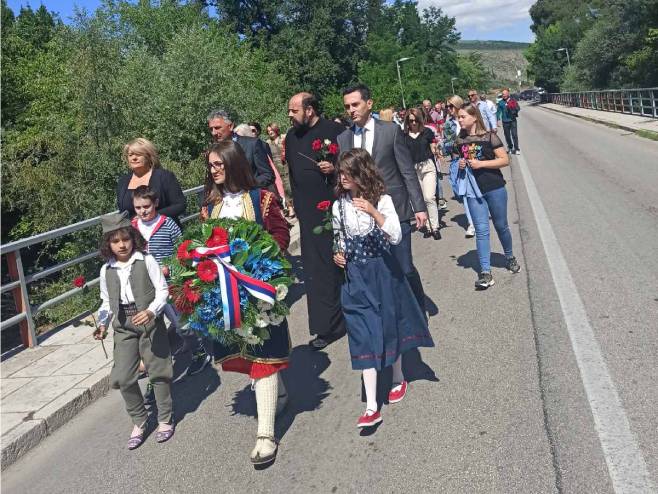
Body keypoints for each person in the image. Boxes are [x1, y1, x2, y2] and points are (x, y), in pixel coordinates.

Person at [200, 140, 290, 465]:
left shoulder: (261, 200)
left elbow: (281, 233)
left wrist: (263, 260)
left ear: (234, 163)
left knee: (264, 354)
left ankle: (266, 435)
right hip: (229, 293)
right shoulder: (209, 208)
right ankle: (277, 393)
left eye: (219, 164)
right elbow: (204, 245)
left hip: (260, 288)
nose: (215, 171)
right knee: (249, 353)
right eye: (211, 166)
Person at [332, 149, 434, 428]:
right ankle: (371, 406)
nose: (341, 177)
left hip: (383, 271)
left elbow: (396, 235)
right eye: (340, 172)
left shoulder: (383, 200)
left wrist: (374, 211)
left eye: (346, 172)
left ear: (360, 173)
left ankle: (398, 376)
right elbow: (339, 237)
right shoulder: (338, 206)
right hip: (356, 276)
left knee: (389, 324)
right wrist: (338, 253)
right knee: (363, 332)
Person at [338, 84, 428, 314]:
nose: (351, 110)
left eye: (355, 104)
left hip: (394, 208)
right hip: (363, 214)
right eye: (347, 106)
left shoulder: (390, 131)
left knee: (404, 266)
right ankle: (393, 313)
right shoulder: (343, 139)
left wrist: (419, 206)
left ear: (369, 104)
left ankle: (418, 307)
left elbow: (407, 170)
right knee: (382, 268)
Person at [93, 212, 174, 449]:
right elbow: (106, 302)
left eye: (125, 239)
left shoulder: (145, 260)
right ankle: (140, 419)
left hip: (149, 320)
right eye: (115, 241)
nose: (122, 245)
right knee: (122, 377)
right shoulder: (106, 270)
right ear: (108, 244)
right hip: (123, 325)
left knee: (158, 371)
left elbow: (163, 291)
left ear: (133, 238)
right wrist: (102, 324)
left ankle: (165, 418)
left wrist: (151, 311)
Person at [284, 92, 347, 350]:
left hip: (337, 207)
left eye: (294, 110)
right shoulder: (290, 137)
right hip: (308, 215)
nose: (290, 115)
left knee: (345, 262)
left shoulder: (335, 130)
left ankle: (355, 312)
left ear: (309, 110)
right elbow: (292, 175)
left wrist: (335, 170)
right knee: (317, 270)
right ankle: (328, 326)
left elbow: (353, 166)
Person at [455, 104, 521, 289]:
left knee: (501, 226)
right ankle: (485, 272)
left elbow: (504, 160)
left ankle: (509, 256)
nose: (459, 120)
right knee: (481, 230)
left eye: (462, 116)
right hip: (473, 190)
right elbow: (461, 160)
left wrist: (482, 164)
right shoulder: (460, 140)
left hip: (494, 187)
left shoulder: (489, 136)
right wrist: (461, 163)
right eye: (458, 117)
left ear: (474, 117)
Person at [117, 138, 186, 224]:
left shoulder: (164, 176)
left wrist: (152, 216)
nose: (134, 158)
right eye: (130, 155)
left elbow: (180, 205)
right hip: (135, 234)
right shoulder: (123, 182)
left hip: (163, 231)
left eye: (138, 154)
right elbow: (123, 212)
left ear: (149, 156)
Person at [207, 109, 274, 187]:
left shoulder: (252, 145)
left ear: (231, 126)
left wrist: (246, 186)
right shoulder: (212, 152)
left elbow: (268, 175)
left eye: (217, 128)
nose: (213, 133)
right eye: (211, 129)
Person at [402, 107, 441, 240]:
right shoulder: (404, 136)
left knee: (429, 197)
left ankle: (434, 227)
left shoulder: (427, 132)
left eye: (416, 120)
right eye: (410, 120)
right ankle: (427, 226)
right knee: (420, 199)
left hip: (428, 166)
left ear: (420, 120)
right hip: (413, 169)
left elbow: (433, 146)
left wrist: (436, 151)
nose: (413, 123)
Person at [443, 95, 475, 238]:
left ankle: (472, 223)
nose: (448, 109)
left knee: (470, 191)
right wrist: (443, 146)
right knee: (459, 192)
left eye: (450, 106)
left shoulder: (469, 117)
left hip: (472, 158)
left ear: (457, 106)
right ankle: (474, 216)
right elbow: (447, 143)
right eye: (447, 107)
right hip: (457, 160)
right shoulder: (449, 123)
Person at [266, 122, 294, 218]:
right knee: (283, 187)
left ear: (276, 129)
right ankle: (290, 208)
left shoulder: (284, 137)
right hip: (277, 168)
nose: (270, 132)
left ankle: (294, 205)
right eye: (268, 131)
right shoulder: (268, 143)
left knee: (290, 186)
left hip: (287, 165)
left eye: (271, 130)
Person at [496, 89, 520, 155]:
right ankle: (510, 147)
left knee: (514, 135)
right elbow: (498, 112)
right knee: (507, 136)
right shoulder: (500, 102)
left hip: (513, 120)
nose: (503, 95)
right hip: (505, 121)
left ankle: (517, 149)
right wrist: (498, 120)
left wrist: (514, 110)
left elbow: (518, 108)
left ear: (508, 94)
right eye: (502, 94)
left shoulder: (513, 100)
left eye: (504, 94)